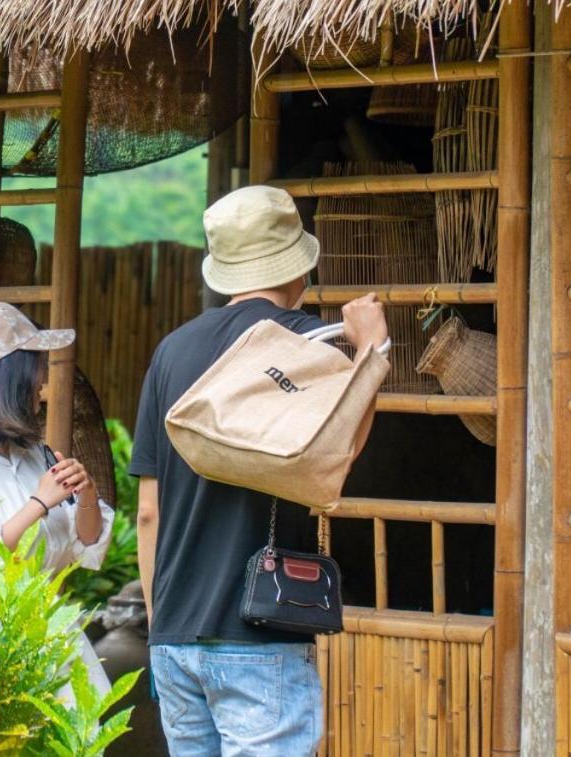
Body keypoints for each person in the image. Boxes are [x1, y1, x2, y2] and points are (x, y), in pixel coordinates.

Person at [131, 185, 388, 756]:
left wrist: (161, 624)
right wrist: (374, 351)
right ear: (298, 268)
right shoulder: (300, 343)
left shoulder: (170, 351)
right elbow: (336, 460)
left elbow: (148, 512)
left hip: (173, 636)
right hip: (257, 632)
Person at [0, 301, 116, 695]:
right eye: (35, 376)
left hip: (51, 636)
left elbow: (87, 546)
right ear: (5, 380)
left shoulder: (28, 451)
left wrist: (88, 497)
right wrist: (38, 504)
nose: (40, 387)